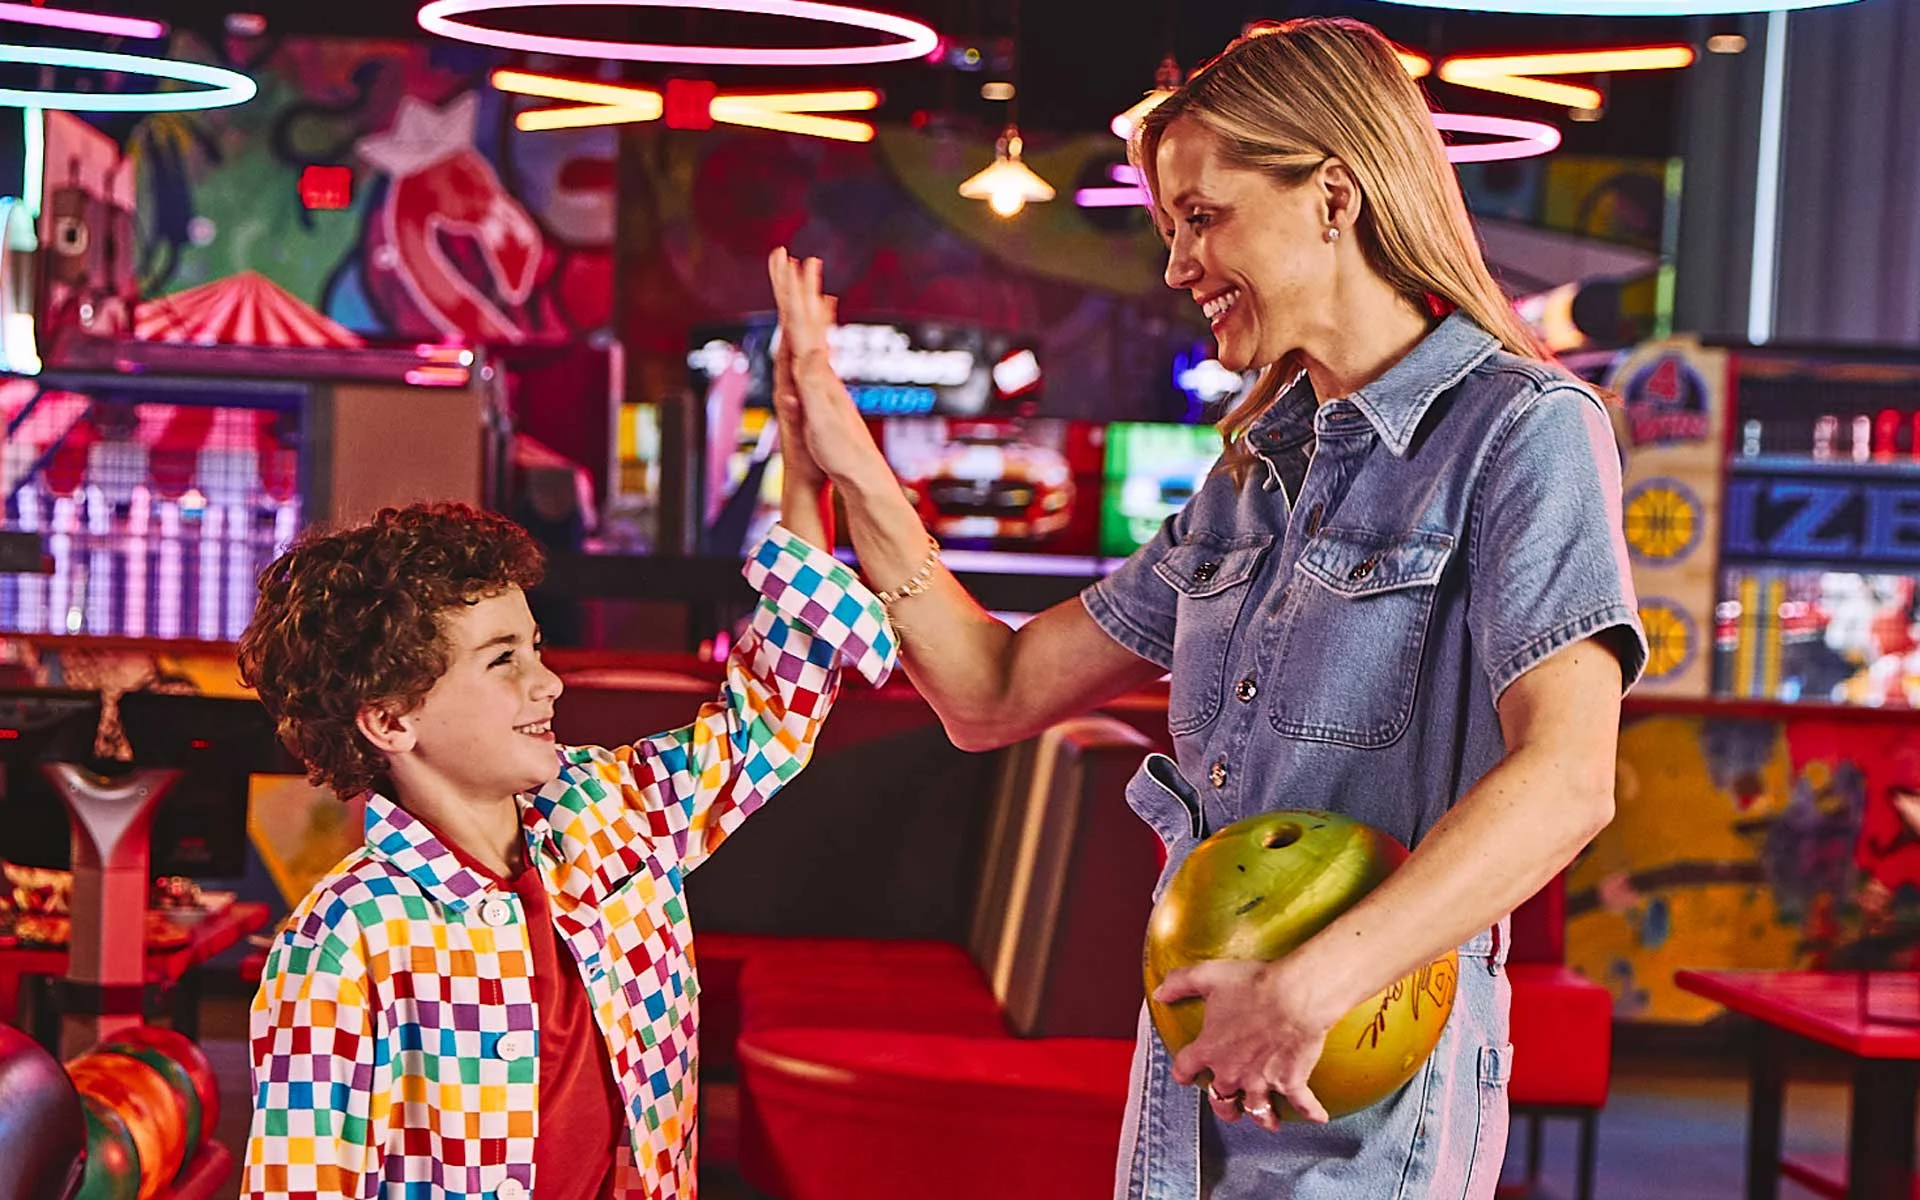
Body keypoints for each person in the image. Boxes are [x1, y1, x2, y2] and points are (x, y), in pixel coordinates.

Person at [765, 15, 1646, 1198]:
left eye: (1202, 215)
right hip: (1196, 1073)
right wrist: (848, 460)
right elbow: (994, 692)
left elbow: (1566, 781)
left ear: (1335, 193)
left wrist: (1305, 992)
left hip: (1362, 1089)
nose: (1177, 263)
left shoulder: (1524, 432)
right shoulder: (1251, 477)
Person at [236, 402, 895, 1195]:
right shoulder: (346, 937)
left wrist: (802, 467)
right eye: (501, 660)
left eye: (537, 648)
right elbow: (299, 1184)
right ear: (390, 718)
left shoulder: (608, 810)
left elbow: (768, 717)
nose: (545, 683)